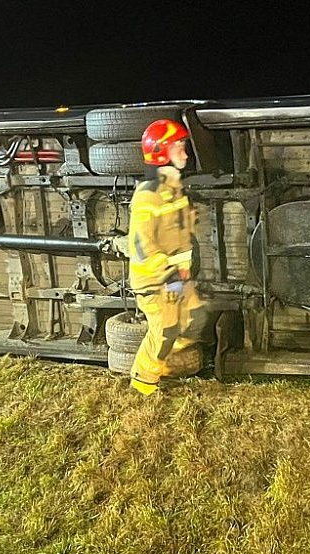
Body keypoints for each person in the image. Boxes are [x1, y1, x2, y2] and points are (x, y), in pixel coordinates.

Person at [127, 119, 207, 394]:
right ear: (161, 152)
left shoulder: (174, 190)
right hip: (155, 280)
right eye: (179, 148)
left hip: (177, 278)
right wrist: (168, 271)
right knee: (165, 331)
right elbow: (142, 244)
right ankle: (143, 385)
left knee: (196, 319)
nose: (185, 154)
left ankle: (164, 366)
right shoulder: (147, 196)